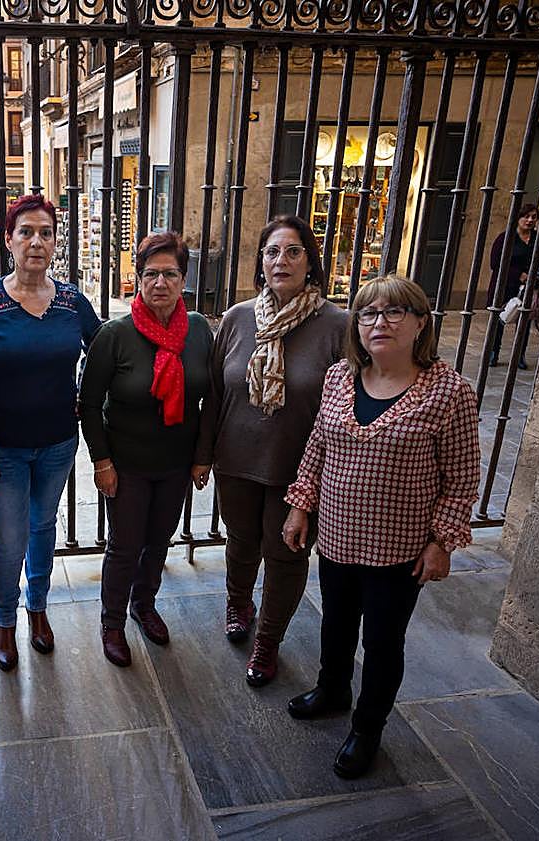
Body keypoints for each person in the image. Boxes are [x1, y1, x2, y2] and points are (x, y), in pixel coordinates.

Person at [282, 274, 480, 779]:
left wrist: (442, 543)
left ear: (419, 323)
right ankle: (332, 690)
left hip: (399, 548)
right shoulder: (340, 378)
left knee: (384, 642)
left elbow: (461, 479)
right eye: (368, 313)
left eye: (394, 313)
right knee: (335, 622)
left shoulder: (449, 392)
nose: (379, 323)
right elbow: (317, 448)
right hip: (339, 536)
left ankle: (367, 727)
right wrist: (301, 506)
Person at [192, 215, 348, 686]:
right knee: (240, 542)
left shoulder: (336, 325)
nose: (282, 260)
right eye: (272, 251)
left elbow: (342, 406)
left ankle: (268, 641)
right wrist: (203, 454)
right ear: (261, 262)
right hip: (236, 460)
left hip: (297, 469)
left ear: (310, 261)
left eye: (293, 251)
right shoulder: (240, 318)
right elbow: (216, 394)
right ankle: (239, 604)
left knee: (285, 555)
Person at [0, 193, 100, 671]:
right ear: (9, 241)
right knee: (10, 537)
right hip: (4, 449)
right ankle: (5, 621)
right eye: (26, 233)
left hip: (58, 443)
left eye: (45, 233)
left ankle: (38, 609)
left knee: (43, 528)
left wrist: (83, 394)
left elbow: (103, 355)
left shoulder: (73, 302)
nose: (36, 242)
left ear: (55, 243)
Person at [79, 232, 213, 667]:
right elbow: (87, 403)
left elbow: (209, 397)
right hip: (127, 464)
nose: (160, 283)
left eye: (170, 274)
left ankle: (144, 605)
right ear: (137, 278)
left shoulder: (197, 331)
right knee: (125, 545)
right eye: (151, 273)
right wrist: (102, 461)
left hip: (176, 462)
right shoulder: (114, 335)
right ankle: (112, 622)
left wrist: (201, 456)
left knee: (159, 541)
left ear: (183, 279)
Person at [487, 203, 538, 370]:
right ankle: (493, 352)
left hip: (525, 287)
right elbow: (495, 262)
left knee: (523, 321)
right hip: (504, 285)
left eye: (533, 217)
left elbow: (538, 260)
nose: (529, 220)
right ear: (518, 218)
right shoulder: (506, 237)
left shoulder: (536, 239)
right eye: (526, 216)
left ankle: (519, 355)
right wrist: (519, 274)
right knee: (499, 318)